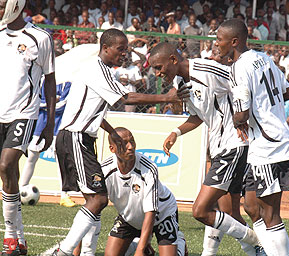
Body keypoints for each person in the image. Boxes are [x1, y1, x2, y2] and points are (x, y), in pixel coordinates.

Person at [52, 28, 188, 256]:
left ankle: (82, 253)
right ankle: (64, 251)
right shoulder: (98, 70)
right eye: (120, 49)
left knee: (93, 202)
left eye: (125, 49)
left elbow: (91, 112)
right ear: (105, 48)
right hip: (76, 137)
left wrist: (111, 130)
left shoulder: (98, 71)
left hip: (79, 137)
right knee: (98, 200)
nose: (124, 54)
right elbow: (126, 97)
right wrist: (166, 97)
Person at [148, 42, 266, 256]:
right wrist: (176, 132)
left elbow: (242, 82)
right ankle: (256, 251)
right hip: (220, 148)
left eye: (158, 67)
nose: (157, 73)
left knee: (201, 209)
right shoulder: (178, 80)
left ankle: (258, 241)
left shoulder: (205, 69)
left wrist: (243, 119)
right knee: (228, 212)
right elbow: (199, 116)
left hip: (234, 145)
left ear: (173, 60)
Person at [215, 18, 289, 256]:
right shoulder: (265, 58)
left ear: (234, 41)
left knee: (270, 214)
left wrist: (237, 121)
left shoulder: (239, 67)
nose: (217, 44)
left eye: (220, 40)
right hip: (266, 142)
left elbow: (241, 114)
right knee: (250, 206)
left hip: (269, 146)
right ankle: (263, 251)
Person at [0, 0, 56, 254]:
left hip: (24, 113)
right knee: (8, 175)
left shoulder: (40, 38)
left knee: (6, 165)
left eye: (2, 5)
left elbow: (50, 80)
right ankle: (20, 239)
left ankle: (10, 238)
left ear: (16, 5)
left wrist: (50, 122)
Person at [103, 127, 187, 256]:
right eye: (124, 143)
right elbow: (93, 207)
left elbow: (151, 211)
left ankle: (179, 243)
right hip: (130, 218)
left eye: (132, 141)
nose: (130, 146)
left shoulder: (149, 167)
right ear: (112, 149)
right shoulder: (105, 170)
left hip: (162, 214)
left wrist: (140, 250)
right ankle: (137, 242)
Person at [19, 80, 75, 208]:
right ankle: (21, 191)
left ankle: (64, 195)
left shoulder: (68, 82)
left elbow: (62, 105)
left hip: (58, 127)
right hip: (40, 126)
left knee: (61, 161)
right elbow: (35, 101)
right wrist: (51, 102)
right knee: (32, 158)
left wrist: (47, 103)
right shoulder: (43, 79)